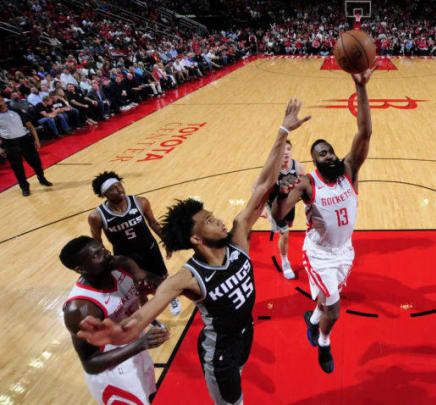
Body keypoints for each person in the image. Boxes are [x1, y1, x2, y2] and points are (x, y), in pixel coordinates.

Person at [77, 98, 310, 405]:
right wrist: (116, 334)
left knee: (239, 375)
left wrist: (282, 131)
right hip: (219, 352)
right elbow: (144, 314)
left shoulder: (238, 237)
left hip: (245, 334)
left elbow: (264, 184)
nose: (218, 219)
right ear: (197, 239)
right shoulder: (187, 277)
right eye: (209, 221)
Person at [271, 67, 376, 373]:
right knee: (334, 307)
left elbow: (365, 132)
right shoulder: (308, 184)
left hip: (345, 250)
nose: (328, 156)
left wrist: (361, 88)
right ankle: (324, 341)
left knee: (327, 301)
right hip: (318, 254)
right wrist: (280, 192)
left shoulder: (349, 170)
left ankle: (313, 319)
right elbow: (279, 215)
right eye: (321, 154)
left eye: (329, 151)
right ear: (313, 161)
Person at [61, 236, 169, 405]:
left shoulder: (122, 267)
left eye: (103, 248)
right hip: (113, 373)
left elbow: (159, 283)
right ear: (80, 269)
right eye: (96, 255)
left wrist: (146, 280)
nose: (106, 254)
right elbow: (90, 363)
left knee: (150, 397)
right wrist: (140, 344)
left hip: (135, 352)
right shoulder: (80, 308)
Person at [88, 171, 182, 316]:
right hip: (125, 256)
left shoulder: (140, 202)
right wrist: (104, 264)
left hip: (149, 249)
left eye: (119, 185)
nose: (119, 190)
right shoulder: (96, 216)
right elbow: (97, 242)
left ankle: (172, 298)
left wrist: (167, 241)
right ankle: (150, 317)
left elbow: (153, 223)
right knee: (137, 288)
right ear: (104, 194)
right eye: (112, 189)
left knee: (162, 278)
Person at [254, 139, 306, 279]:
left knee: (290, 225)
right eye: (282, 149)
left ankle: (279, 229)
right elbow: (256, 188)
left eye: (288, 149)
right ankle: (285, 261)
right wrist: (262, 208)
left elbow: (304, 182)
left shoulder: (298, 167)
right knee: (285, 233)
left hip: (290, 204)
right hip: (275, 207)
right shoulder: (271, 170)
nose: (285, 152)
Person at [0, 97, 52, 196]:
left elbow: (30, 126)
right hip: (9, 143)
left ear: (2, 100)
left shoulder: (16, 111)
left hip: (24, 140)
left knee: (36, 162)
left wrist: (36, 140)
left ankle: (42, 178)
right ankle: (24, 187)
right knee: (17, 168)